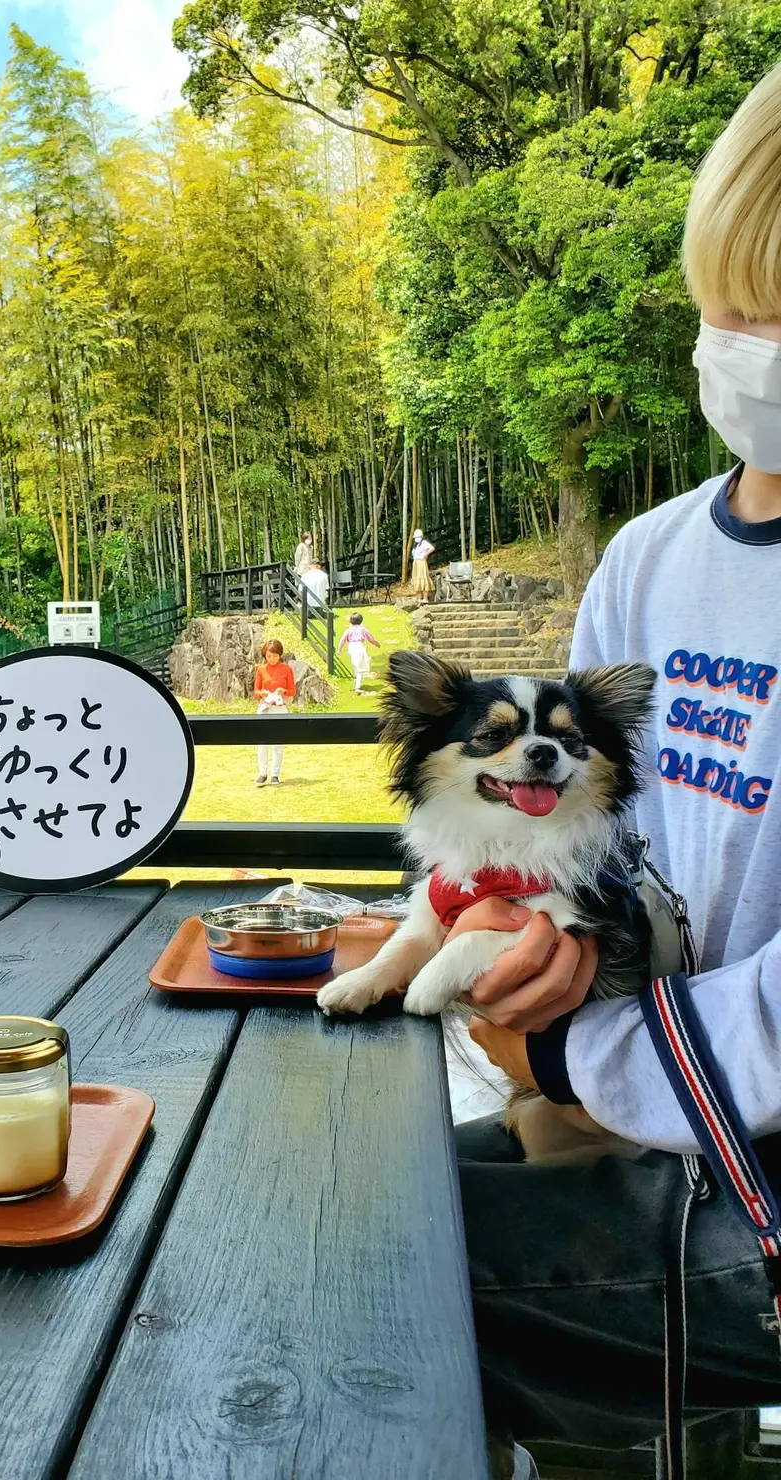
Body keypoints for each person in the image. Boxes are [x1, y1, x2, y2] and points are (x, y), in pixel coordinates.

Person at [447, 67, 781, 1477]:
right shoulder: (652, 560)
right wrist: (516, 928)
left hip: (736, 1166)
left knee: (419, 1285)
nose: (753, 350)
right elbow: (563, 824)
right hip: (631, 1096)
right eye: (734, 306)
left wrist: (574, 1055)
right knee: (359, 1193)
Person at [252, 638, 295, 786]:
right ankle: (262, 773)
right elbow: (255, 690)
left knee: (278, 743)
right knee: (262, 742)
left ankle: (275, 774)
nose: (272, 659)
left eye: (275, 656)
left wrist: (283, 691)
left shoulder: (287, 669)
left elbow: (292, 691)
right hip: (265, 707)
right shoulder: (261, 669)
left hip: (280, 707)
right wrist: (261, 693)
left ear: (280, 655)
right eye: (269, 656)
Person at [336, 612, 381, 695]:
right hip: (359, 646)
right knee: (360, 666)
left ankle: (357, 680)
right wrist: (377, 644)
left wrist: (339, 649)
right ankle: (357, 687)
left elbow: (343, 639)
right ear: (361, 621)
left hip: (351, 647)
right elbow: (370, 639)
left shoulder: (348, 630)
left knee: (357, 665)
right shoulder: (363, 629)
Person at [410, 528, 434, 596]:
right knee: (417, 579)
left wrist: (426, 554)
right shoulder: (416, 545)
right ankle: (419, 597)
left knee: (423, 578)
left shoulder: (424, 542)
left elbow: (432, 548)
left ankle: (425, 598)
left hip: (421, 562)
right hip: (416, 562)